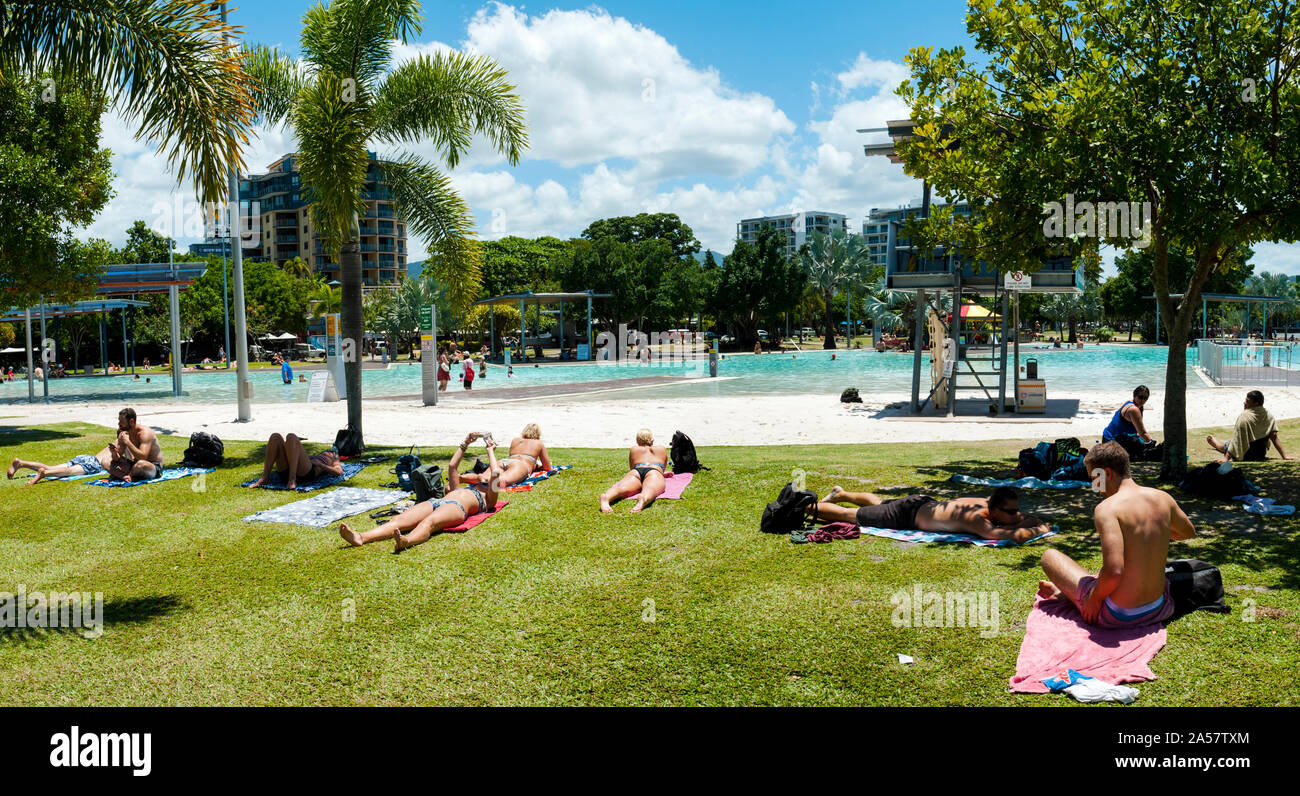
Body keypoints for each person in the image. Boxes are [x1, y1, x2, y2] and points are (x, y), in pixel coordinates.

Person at [1039, 442, 1194, 628]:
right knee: (1102, 574)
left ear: (1107, 474)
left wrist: (1094, 600)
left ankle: (1073, 597)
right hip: (1158, 608)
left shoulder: (1107, 509)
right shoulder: (1162, 498)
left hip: (1119, 616)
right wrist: (1153, 534)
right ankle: (1067, 594)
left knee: (1050, 556)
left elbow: (1114, 572)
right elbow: (1187, 532)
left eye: (1094, 479)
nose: (1095, 487)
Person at [339, 432, 503, 551]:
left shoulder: (489, 498)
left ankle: (407, 541)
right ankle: (362, 537)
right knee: (398, 520)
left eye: (486, 480)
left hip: (456, 507)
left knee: (428, 523)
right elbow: (453, 467)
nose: (483, 479)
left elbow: (495, 473)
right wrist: (465, 443)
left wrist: (490, 452)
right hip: (437, 502)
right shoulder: (460, 488)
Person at [811, 485, 1050, 542]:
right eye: (1010, 511)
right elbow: (1002, 535)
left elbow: (1015, 520)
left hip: (922, 504)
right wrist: (1039, 528)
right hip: (906, 515)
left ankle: (840, 492)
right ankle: (804, 506)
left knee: (880, 502)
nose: (1016, 514)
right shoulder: (975, 518)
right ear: (994, 509)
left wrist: (1023, 519)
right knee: (849, 516)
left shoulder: (989, 504)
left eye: (1015, 510)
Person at [8, 407, 160, 483]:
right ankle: (41, 472)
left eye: (121, 422)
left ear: (131, 421)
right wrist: (116, 452)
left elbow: (142, 457)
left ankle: (23, 464)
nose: (119, 425)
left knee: (56, 468)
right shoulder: (123, 434)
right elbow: (118, 456)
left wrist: (124, 445)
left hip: (91, 460)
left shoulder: (143, 433)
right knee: (65, 471)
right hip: (91, 462)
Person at [1206, 390, 1293, 462]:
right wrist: (1284, 456)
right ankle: (1218, 444)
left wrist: (1226, 458)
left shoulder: (1244, 416)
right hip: (1260, 454)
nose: (1244, 403)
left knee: (1228, 444)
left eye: (1247, 401)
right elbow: (1273, 436)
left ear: (1256, 403)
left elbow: (1237, 440)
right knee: (1230, 443)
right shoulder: (1268, 415)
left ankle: (1216, 444)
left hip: (1246, 455)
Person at [460, 424, 552, 488]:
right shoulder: (538, 443)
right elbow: (547, 467)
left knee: (484, 477)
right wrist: (536, 465)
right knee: (501, 482)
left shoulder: (515, 440)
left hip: (504, 462)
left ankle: (461, 477)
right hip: (520, 465)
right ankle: (468, 478)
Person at [599, 429, 669, 513]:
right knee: (651, 488)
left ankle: (606, 497)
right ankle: (643, 498)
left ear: (638, 440)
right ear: (652, 439)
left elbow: (632, 467)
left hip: (636, 471)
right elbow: (663, 467)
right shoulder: (661, 449)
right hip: (654, 471)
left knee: (621, 488)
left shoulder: (634, 449)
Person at [247, 433, 343, 490]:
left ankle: (292, 479)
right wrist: (293, 445)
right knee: (275, 437)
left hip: (306, 474)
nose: (330, 451)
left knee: (291, 436)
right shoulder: (317, 455)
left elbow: (339, 472)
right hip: (289, 469)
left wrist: (321, 465)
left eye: (332, 450)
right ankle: (265, 477)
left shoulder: (334, 458)